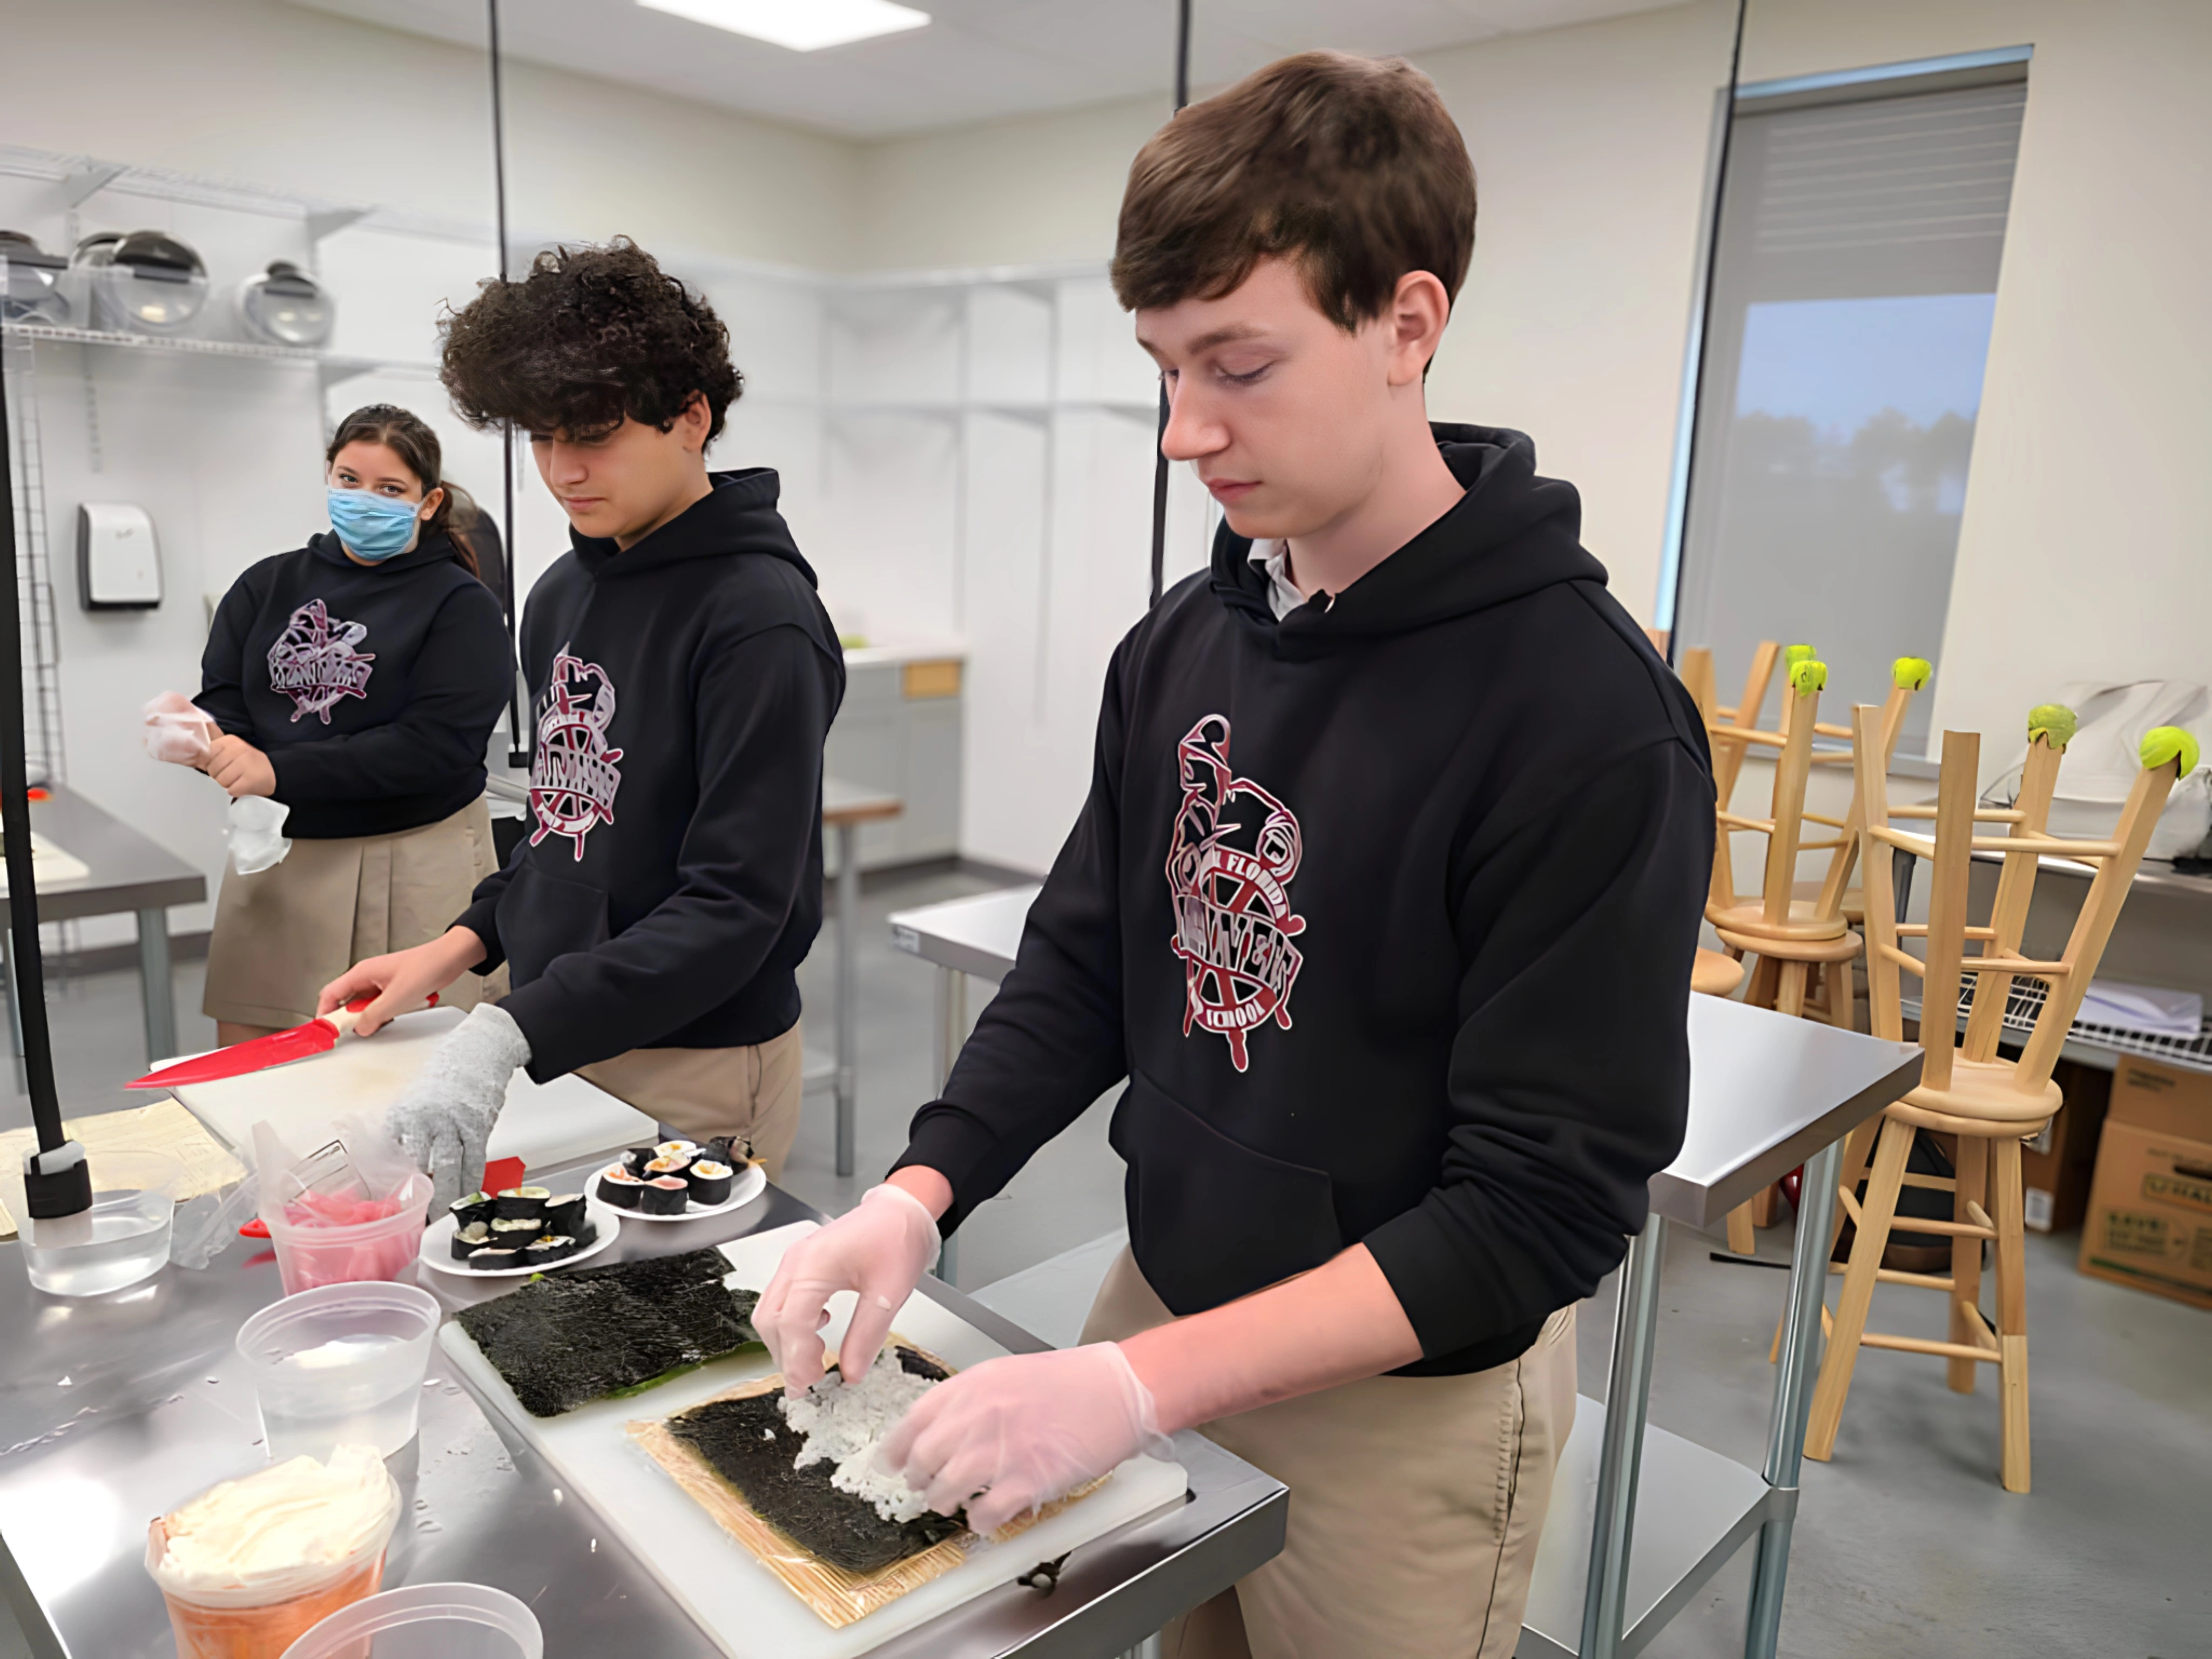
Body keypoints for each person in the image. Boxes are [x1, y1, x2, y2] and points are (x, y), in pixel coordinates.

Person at [756, 52, 1712, 1659]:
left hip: (1400, 1408)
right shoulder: (1187, 644)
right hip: (1165, 1298)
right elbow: (1079, 969)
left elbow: (1535, 1211)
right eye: (1163, 367)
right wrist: (919, 1192)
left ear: (1408, 325)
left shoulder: (1587, 718)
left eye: (1239, 365)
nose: (1183, 429)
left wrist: (1128, 1387)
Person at [319, 240, 844, 1202]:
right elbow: (569, 828)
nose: (563, 470)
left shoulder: (759, 617)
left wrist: (511, 1029)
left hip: (695, 1054)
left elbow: (736, 905)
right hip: (563, 1027)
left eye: (592, 435)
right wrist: (461, 945)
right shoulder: (562, 592)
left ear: (692, 419)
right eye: (541, 438)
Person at [148, 404, 512, 1046]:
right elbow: (231, 698)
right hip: (279, 863)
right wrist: (208, 739)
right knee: (257, 1062)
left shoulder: (460, 605)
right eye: (348, 480)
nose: (363, 500)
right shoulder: (266, 585)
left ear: (428, 504)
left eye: (389, 489)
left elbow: (436, 747)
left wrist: (277, 768)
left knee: (400, 1067)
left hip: (416, 858)